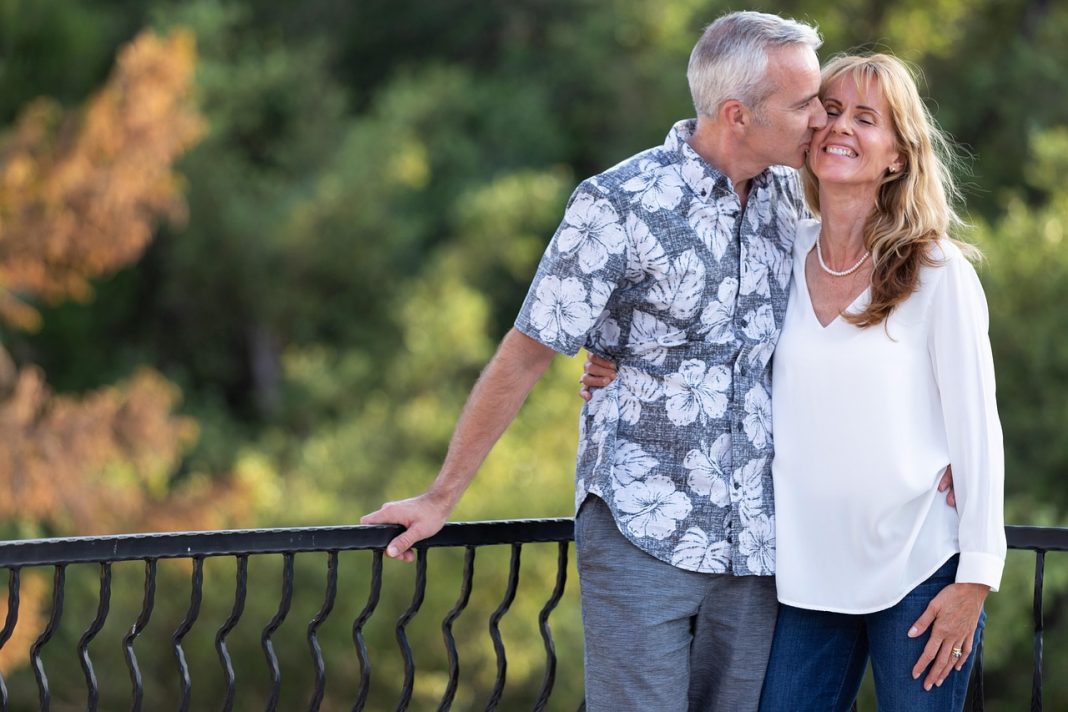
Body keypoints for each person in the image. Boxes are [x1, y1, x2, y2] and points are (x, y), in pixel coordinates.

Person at [362, 10, 828, 710]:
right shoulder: (618, 205)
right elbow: (525, 355)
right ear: (738, 114)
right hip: (644, 535)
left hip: (759, 547)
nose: (821, 117)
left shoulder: (796, 201)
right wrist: (440, 496)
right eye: (803, 104)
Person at [584, 54, 1004, 712]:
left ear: (896, 156)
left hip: (922, 566)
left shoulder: (937, 272)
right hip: (805, 578)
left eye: (866, 119)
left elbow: (979, 432)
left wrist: (976, 577)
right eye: (829, 110)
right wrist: (617, 358)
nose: (839, 127)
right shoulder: (780, 249)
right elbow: (702, 339)